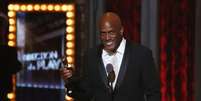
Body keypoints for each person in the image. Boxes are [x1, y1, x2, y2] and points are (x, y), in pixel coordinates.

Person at [60, 12, 160, 101]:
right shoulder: (91, 56)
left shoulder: (141, 54)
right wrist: (70, 80)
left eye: (111, 32)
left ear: (121, 30)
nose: (107, 38)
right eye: (103, 33)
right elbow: (87, 94)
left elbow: (153, 93)